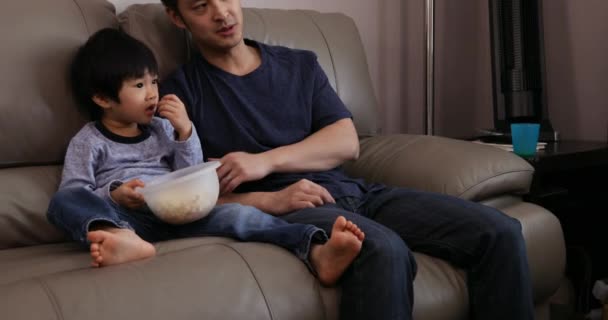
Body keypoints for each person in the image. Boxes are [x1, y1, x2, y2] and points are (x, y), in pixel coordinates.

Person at [157, 0, 535, 319]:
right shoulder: (179, 95)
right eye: (201, 6)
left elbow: (347, 141)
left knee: (500, 231)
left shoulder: (299, 65)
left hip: (356, 191)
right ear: (178, 18)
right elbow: (183, 202)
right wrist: (270, 198)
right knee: (385, 250)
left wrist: (265, 161)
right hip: (292, 210)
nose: (222, 13)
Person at [46, 28, 366, 287]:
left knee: (243, 217)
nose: (153, 93)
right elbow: (76, 190)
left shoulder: (162, 128)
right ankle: (121, 240)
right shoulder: (88, 141)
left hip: (180, 213)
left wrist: (185, 131)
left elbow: (192, 174)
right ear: (103, 98)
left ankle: (317, 250)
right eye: (139, 85)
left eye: (154, 82)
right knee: (64, 201)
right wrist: (115, 194)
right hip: (128, 218)